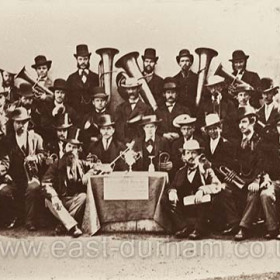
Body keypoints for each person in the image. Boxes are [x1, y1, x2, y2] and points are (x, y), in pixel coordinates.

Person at [166, 139, 223, 239]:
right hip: (187, 207)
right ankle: (184, 227)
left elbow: (217, 185)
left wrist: (202, 190)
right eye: (188, 153)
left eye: (194, 153)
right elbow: (173, 185)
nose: (191, 156)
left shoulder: (206, 170)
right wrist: (172, 192)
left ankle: (199, 230)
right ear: (183, 156)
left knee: (207, 201)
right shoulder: (180, 172)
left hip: (203, 207)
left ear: (199, 155)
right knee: (165, 199)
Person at [42, 127, 93, 237]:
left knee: (83, 196)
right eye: (69, 146)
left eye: (74, 147)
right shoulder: (56, 165)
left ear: (78, 151)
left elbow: (96, 166)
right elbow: (45, 183)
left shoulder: (80, 164)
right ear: (64, 148)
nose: (71, 150)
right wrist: (54, 196)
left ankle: (63, 225)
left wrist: (89, 173)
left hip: (72, 201)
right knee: (52, 201)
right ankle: (73, 227)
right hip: (58, 200)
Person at [3, 107, 45, 231]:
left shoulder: (36, 138)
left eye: (24, 122)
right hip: (14, 179)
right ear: (13, 123)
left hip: (31, 176)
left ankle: (30, 220)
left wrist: (36, 158)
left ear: (28, 123)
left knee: (33, 188)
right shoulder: (6, 141)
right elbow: (4, 160)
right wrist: (4, 174)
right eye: (18, 122)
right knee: (4, 191)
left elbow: (43, 155)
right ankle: (13, 217)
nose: (21, 125)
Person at [198, 75, 237, 141]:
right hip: (208, 137)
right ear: (209, 89)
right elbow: (200, 120)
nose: (214, 89)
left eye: (217, 86)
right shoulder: (204, 104)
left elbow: (233, 121)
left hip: (225, 137)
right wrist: (203, 128)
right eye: (211, 87)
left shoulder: (229, 103)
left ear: (221, 87)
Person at [114, 78, 153, 142]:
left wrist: (136, 142)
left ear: (138, 89)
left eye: (133, 89)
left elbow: (148, 129)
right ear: (126, 90)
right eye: (129, 89)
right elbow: (118, 129)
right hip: (123, 144)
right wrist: (126, 142)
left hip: (140, 143)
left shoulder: (147, 108)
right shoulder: (120, 108)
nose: (131, 91)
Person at [40, 78, 79, 143]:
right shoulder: (46, 108)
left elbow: (76, 125)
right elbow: (43, 127)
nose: (60, 95)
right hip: (51, 141)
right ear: (54, 93)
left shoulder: (70, 110)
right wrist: (52, 116)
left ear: (65, 94)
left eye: (62, 93)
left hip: (67, 141)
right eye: (57, 92)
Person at [66, 44, 99, 115]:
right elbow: (67, 99)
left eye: (85, 59)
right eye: (80, 59)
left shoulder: (96, 77)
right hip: (75, 115)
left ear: (88, 59)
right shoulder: (71, 78)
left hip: (92, 115)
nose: (83, 62)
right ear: (77, 60)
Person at [155, 77, 190, 142]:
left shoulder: (184, 110)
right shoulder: (158, 111)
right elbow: (155, 128)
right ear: (164, 94)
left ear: (176, 94)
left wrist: (179, 134)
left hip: (180, 141)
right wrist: (164, 134)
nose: (170, 95)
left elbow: (190, 127)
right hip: (163, 142)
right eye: (168, 92)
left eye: (173, 92)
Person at [173, 49, 198, 115]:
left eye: (187, 61)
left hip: (195, 111)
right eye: (182, 61)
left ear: (190, 63)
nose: (185, 63)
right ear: (179, 63)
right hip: (179, 112)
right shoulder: (174, 79)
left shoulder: (197, 78)